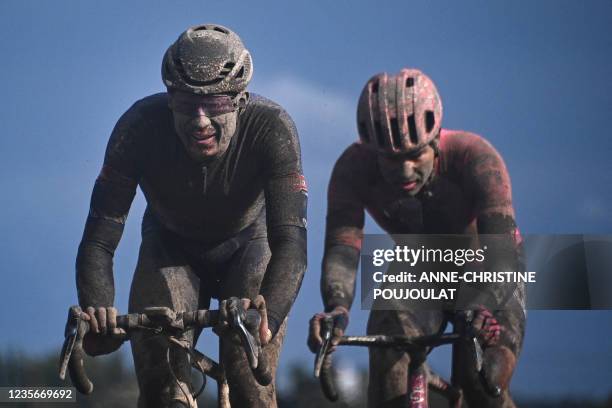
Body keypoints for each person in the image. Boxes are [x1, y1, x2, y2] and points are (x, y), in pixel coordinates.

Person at [75, 24, 307, 408]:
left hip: (251, 245)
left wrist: (270, 314)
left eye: (214, 106)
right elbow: (98, 241)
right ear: (169, 101)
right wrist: (98, 304)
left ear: (240, 101)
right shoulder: (138, 128)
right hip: (170, 249)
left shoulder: (273, 128)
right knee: (162, 390)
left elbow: (291, 244)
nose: (200, 120)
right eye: (186, 105)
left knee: (250, 381)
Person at [308, 68, 525, 408]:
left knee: (482, 382)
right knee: (387, 366)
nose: (405, 171)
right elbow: (342, 248)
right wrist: (336, 308)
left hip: (490, 272)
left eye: (415, 155)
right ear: (372, 150)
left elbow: (503, 252)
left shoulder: (476, 157)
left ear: (437, 139)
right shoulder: (352, 168)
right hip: (419, 269)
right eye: (391, 160)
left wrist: (484, 305)